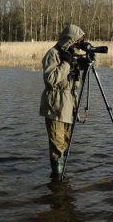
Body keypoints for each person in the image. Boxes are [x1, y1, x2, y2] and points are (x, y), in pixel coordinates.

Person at [39, 24, 86, 179]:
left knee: (65, 144)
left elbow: (75, 82)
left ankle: (62, 181)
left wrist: (84, 64)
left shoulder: (73, 53)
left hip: (69, 106)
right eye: (75, 41)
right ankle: (58, 182)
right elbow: (51, 80)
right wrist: (66, 63)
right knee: (57, 145)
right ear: (68, 40)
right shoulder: (53, 54)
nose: (77, 45)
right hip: (56, 106)